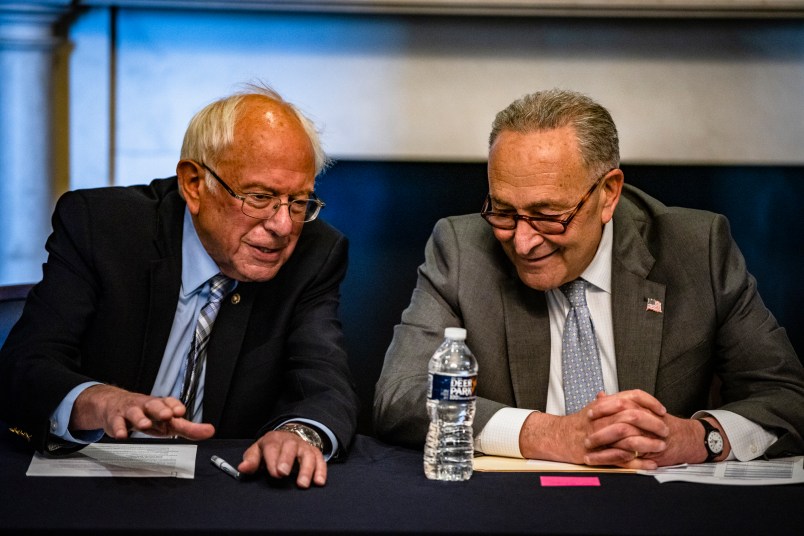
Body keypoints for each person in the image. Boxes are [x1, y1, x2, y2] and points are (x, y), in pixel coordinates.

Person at [374, 88, 804, 469]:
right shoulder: (462, 248)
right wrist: (549, 434)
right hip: (511, 508)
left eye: (547, 215)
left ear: (609, 193)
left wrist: (699, 438)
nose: (523, 242)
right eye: (504, 212)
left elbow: (788, 397)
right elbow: (400, 397)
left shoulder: (695, 248)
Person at [0, 83, 360, 488]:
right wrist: (98, 400)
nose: (282, 225)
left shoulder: (315, 253)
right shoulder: (102, 227)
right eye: (260, 197)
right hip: (88, 478)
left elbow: (326, 384)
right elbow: (24, 368)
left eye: (299, 201)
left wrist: (298, 435)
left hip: (220, 490)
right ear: (193, 184)